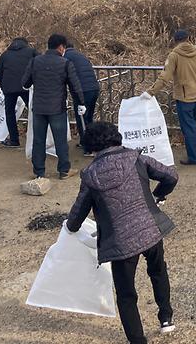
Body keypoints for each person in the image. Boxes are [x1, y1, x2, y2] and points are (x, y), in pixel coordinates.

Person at [66, 121, 179, 344]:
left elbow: (79, 212)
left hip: (120, 241)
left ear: (91, 146)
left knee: (126, 294)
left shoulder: (90, 174)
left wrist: (70, 227)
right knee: (158, 271)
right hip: (150, 229)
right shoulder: (137, 158)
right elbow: (170, 176)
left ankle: (137, 340)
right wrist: (158, 196)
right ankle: (166, 318)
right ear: (116, 137)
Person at [21, 33, 86, 180]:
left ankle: (39, 172)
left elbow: (25, 83)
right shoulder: (65, 63)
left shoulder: (35, 61)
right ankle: (64, 170)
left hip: (38, 108)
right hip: (57, 108)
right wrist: (81, 103)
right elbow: (75, 86)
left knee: (38, 140)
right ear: (61, 47)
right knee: (60, 140)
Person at [143, 29, 196, 166]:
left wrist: (150, 92)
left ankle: (195, 158)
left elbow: (165, 76)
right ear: (188, 38)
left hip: (184, 98)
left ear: (175, 41)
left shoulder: (174, 55)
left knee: (188, 129)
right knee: (192, 127)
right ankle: (195, 155)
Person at [0, 37, 38, 148]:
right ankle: (38, 137)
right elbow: (39, 65)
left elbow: (0, 72)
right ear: (26, 43)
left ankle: (14, 140)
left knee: (10, 113)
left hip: (9, 88)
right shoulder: (31, 52)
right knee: (35, 111)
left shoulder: (5, 55)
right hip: (26, 86)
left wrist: (3, 87)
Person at [64, 41, 101, 155]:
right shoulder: (80, 55)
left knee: (82, 120)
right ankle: (88, 142)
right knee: (88, 118)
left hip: (82, 91)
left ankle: (88, 148)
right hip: (94, 88)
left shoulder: (66, 57)